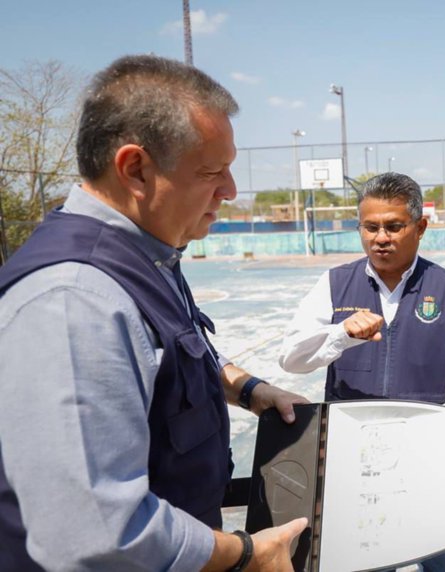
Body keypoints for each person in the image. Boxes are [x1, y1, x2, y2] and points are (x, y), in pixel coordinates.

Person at [0, 55, 309, 571]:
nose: (230, 190)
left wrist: (250, 390)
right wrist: (247, 555)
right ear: (135, 169)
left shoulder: (148, 254)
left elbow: (172, 353)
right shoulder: (74, 300)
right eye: (212, 172)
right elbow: (96, 533)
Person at [279, 172, 445, 571]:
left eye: (394, 226)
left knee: (443, 560)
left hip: (426, 455)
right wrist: (340, 333)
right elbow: (291, 358)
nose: (381, 237)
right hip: (352, 457)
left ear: (420, 227)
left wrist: (442, 423)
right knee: (364, 558)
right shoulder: (334, 284)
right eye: (371, 227)